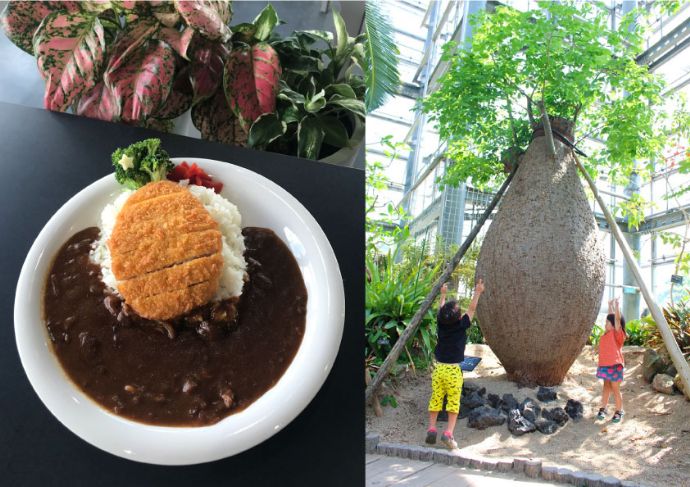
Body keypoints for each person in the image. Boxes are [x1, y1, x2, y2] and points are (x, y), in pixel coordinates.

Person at [425, 279, 485, 449]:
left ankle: (431, 428)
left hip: (438, 368)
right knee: (453, 401)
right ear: (459, 318)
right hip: (453, 371)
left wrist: (443, 295)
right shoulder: (461, 325)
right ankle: (448, 433)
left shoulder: (441, 325)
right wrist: (478, 291)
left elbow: (440, 310)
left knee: (436, 397)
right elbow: (472, 308)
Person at [596, 297, 626, 423]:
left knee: (615, 387)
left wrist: (617, 306)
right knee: (606, 386)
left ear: (614, 326)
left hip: (615, 365)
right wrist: (609, 305)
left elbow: (616, 319)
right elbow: (611, 317)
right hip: (605, 365)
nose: (605, 324)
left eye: (608, 322)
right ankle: (603, 408)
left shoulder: (616, 334)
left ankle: (619, 411)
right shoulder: (606, 334)